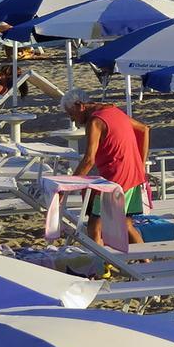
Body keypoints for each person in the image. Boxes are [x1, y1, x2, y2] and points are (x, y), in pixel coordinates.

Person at [62, 89, 149, 246]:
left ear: (79, 105)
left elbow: (89, 160)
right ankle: (146, 263)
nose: (73, 120)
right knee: (126, 224)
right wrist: (141, 165)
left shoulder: (95, 122)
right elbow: (144, 129)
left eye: (71, 114)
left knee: (95, 228)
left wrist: (67, 187)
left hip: (116, 179)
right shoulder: (113, 110)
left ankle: (100, 267)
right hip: (133, 176)